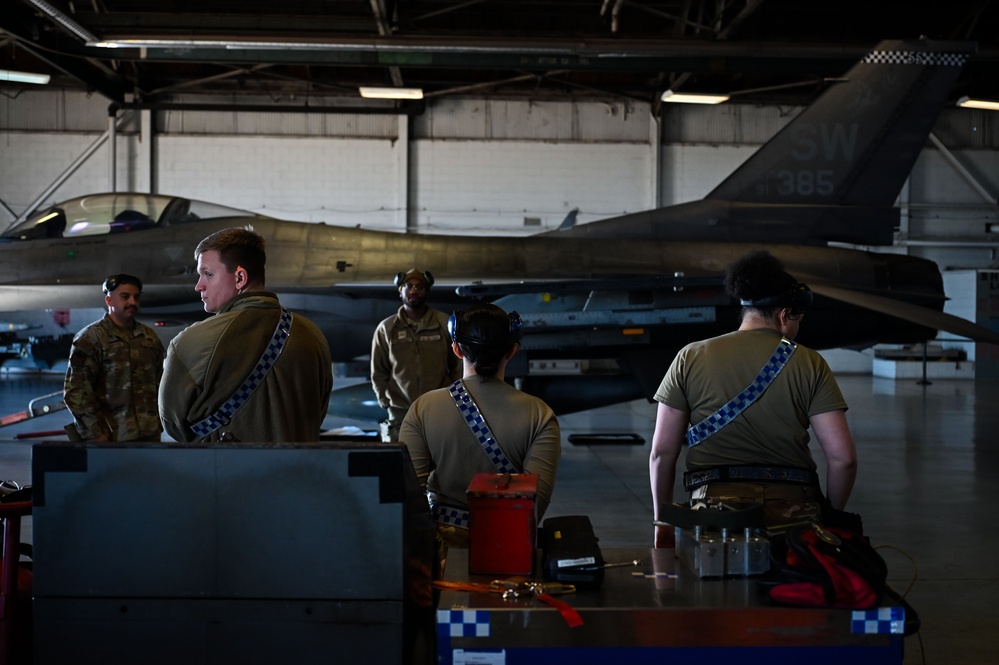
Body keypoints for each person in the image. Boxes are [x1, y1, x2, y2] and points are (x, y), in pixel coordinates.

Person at [649, 249, 858, 547]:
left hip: (715, 514)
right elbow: (843, 459)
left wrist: (662, 523)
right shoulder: (810, 362)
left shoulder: (690, 357)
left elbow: (661, 454)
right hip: (794, 515)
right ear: (785, 315)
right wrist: (833, 516)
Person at [399, 303, 561, 552]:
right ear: (512, 350)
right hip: (506, 552)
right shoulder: (540, 415)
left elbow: (408, 497)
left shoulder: (423, 409)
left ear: (456, 349)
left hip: (440, 555)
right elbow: (533, 505)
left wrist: (438, 554)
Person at [158, 227, 333, 443]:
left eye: (208, 274)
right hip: (298, 471)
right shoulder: (312, 336)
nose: (198, 286)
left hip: (224, 473)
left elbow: (174, 425)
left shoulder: (190, 342)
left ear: (240, 277)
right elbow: (318, 413)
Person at [63, 274, 165, 442]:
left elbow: (160, 383)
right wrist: (94, 433)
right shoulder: (91, 339)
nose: (132, 302)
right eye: (125, 296)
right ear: (109, 301)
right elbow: (76, 392)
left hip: (149, 435)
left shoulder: (148, 337)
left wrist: (159, 424)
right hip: (110, 438)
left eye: (136, 297)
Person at [370, 268, 461, 441]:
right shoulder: (387, 328)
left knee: (440, 459)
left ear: (427, 292)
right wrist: (384, 398)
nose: (414, 291)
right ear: (401, 291)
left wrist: (453, 395)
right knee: (402, 461)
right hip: (400, 409)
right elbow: (379, 370)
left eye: (419, 287)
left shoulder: (443, 323)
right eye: (409, 286)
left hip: (438, 407)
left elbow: (458, 363)